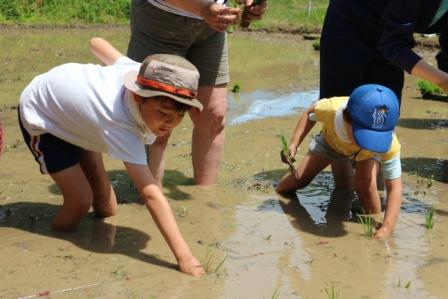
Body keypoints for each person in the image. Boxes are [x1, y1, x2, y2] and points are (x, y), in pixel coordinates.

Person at [18, 37, 205, 276]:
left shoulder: (140, 72)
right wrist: (185, 256)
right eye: (163, 112)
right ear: (138, 96)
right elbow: (149, 193)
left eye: (180, 115)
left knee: (108, 208)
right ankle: (55, 241)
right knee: (80, 200)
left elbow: (98, 44)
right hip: (43, 117)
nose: (170, 122)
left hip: (82, 121)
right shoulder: (120, 124)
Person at [127, 0, 267, 186]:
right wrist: (202, 9)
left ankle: (205, 198)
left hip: (211, 26)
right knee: (156, 117)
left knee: (214, 116)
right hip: (160, 18)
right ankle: (149, 197)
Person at [320, 0, 448, 188]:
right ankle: (341, 194)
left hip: (393, 34)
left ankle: (372, 199)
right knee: (340, 115)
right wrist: (443, 81)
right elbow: (393, 45)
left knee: (381, 119)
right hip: (350, 24)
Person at [276, 84, 402, 240]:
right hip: (331, 143)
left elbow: (395, 187)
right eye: (364, 136)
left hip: (368, 155)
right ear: (346, 117)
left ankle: (374, 222)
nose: (367, 142)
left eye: (376, 137)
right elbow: (309, 113)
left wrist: (387, 227)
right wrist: (294, 144)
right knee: (292, 184)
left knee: (364, 186)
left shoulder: (388, 143)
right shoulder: (331, 109)